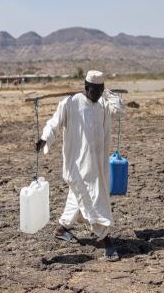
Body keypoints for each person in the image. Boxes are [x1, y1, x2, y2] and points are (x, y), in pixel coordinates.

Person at [35, 70, 125, 261]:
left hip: (96, 166)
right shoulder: (70, 103)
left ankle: (62, 228)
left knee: (78, 198)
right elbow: (53, 123)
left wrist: (107, 92)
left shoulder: (102, 103)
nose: (98, 95)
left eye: (101, 91)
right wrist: (44, 139)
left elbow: (119, 109)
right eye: (95, 91)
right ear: (86, 87)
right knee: (93, 202)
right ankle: (106, 241)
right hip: (77, 167)